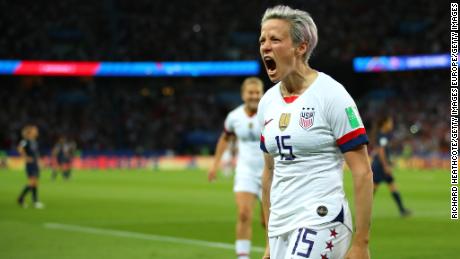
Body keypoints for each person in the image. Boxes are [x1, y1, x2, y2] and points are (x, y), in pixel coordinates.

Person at [258, 5, 373, 259]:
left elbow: (362, 171)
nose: (265, 46)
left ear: (301, 47)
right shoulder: (267, 103)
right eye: (262, 40)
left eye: (275, 39)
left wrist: (361, 242)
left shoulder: (331, 95)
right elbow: (269, 172)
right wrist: (269, 239)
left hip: (322, 218)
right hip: (280, 226)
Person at [208, 77, 265, 259]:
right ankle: (243, 257)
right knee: (243, 214)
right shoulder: (234, 117)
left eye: (257, 92)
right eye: (251, 92)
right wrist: (215, 164)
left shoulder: (269, 114)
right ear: (243, 95)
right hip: (245, 171)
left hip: (269, 173)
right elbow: (225, 138)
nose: (254, 96)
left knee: (268, 221)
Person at [371, 115, 411, 217]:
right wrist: (386, 166)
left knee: (392, 187)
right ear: (384, 124)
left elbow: (383, 151)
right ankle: (363, 210)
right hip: (379, 167)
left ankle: (402, 210)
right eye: (390, 122)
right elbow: (381, 151)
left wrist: (390, 162)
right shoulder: (382, 136)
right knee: (373, 190)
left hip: (382, 165)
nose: (391, 124)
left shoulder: (384, 135)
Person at [17, 125, 44, 209]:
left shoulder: (34, 141)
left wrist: (39, 161)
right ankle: (21, 198)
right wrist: (26, 158)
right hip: (30, 164)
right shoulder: (26, 141)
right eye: (35, 130)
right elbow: (20, 148)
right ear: (30, 132)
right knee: (32, 182)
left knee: (35, 182)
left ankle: (35, 201)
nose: (37, 131)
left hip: (35, 163)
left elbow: (36, 153)